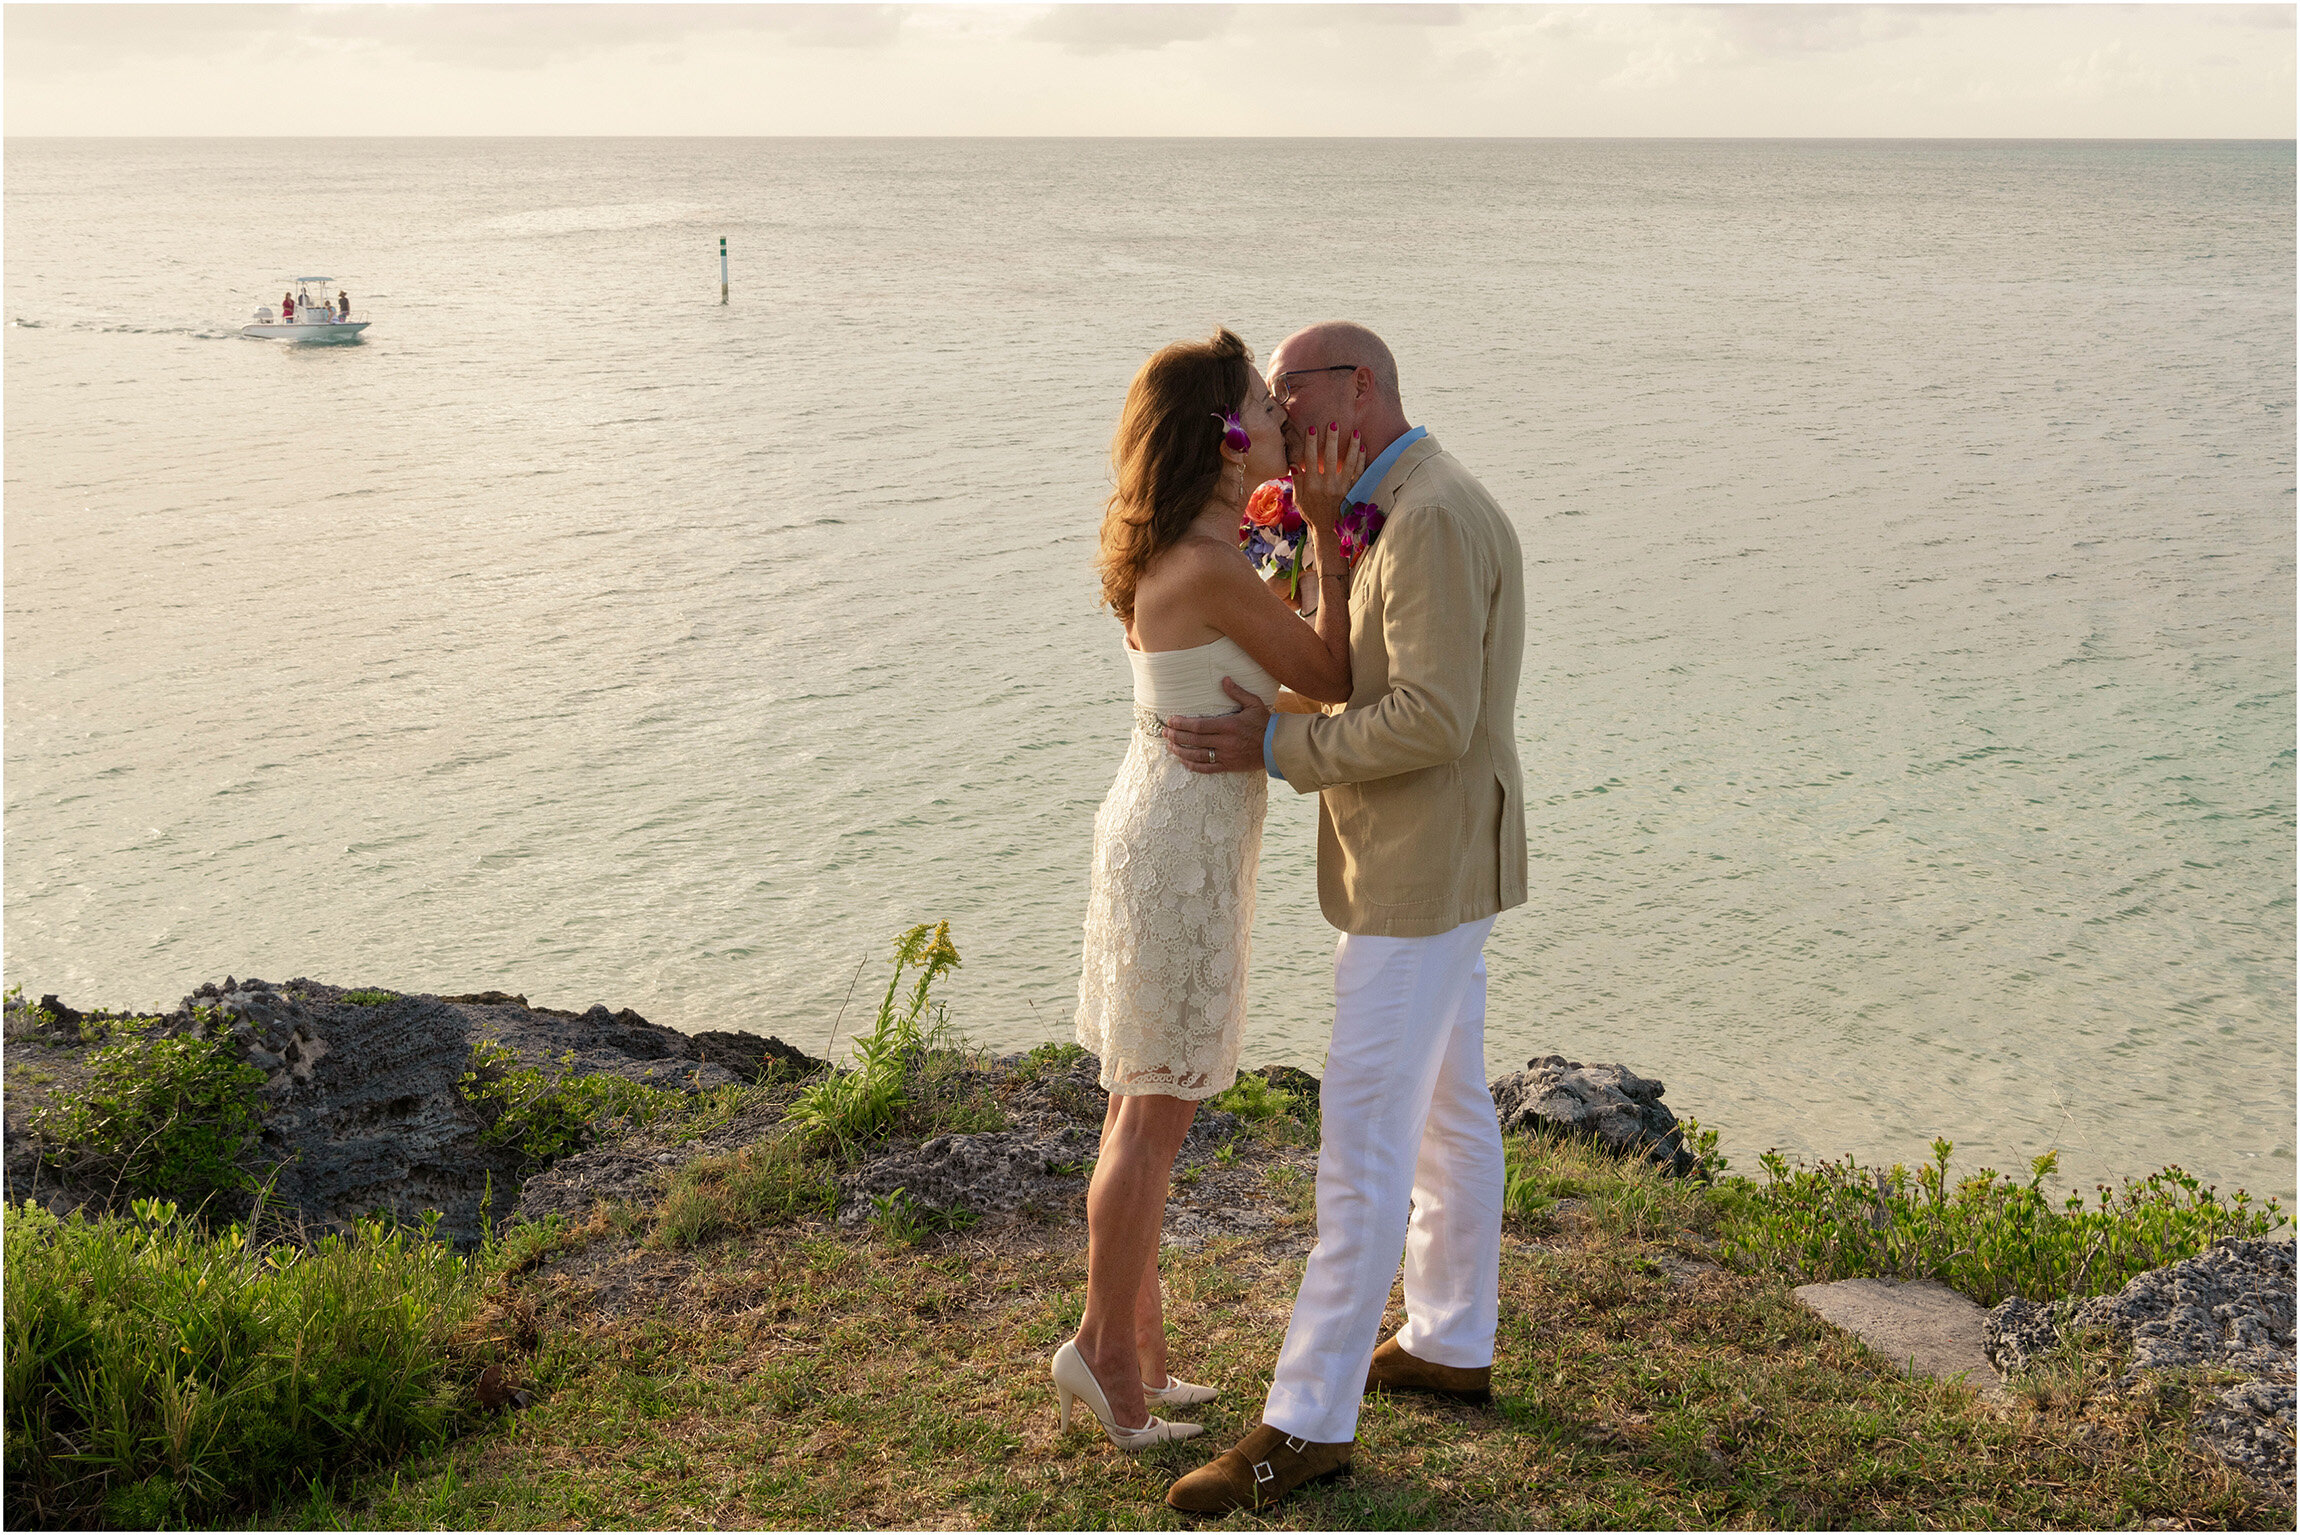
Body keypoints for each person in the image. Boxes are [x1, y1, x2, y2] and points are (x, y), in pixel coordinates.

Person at [1158, 321, 1528, 1514]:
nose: (1266, 406)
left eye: (1284, 387)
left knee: (1358, 1146)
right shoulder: (1382, 500)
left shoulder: (1422, 516)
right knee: (1446, 1112)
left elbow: (1429, 715)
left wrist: (1275, 745)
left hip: (1420, 872)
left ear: (1354, 388)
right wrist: (1310, 532)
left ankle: (1304, 1422)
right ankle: (1450, 1337)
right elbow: (1361, 671)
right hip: (1429, 860)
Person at [1057, 327, 1365, 1450]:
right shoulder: (1210, 566)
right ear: (1225, 438)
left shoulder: (1176, 552)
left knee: (1139, 1108)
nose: (1288, 424)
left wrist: (1277, 529)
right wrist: (1326, 525)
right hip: (1179, 850)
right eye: (1267, 411)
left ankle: (1136, 1349)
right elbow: (1330, 673)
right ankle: (1101, 1354)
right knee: (1151, 1120)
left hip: (1160, 830)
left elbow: (1255, 666)